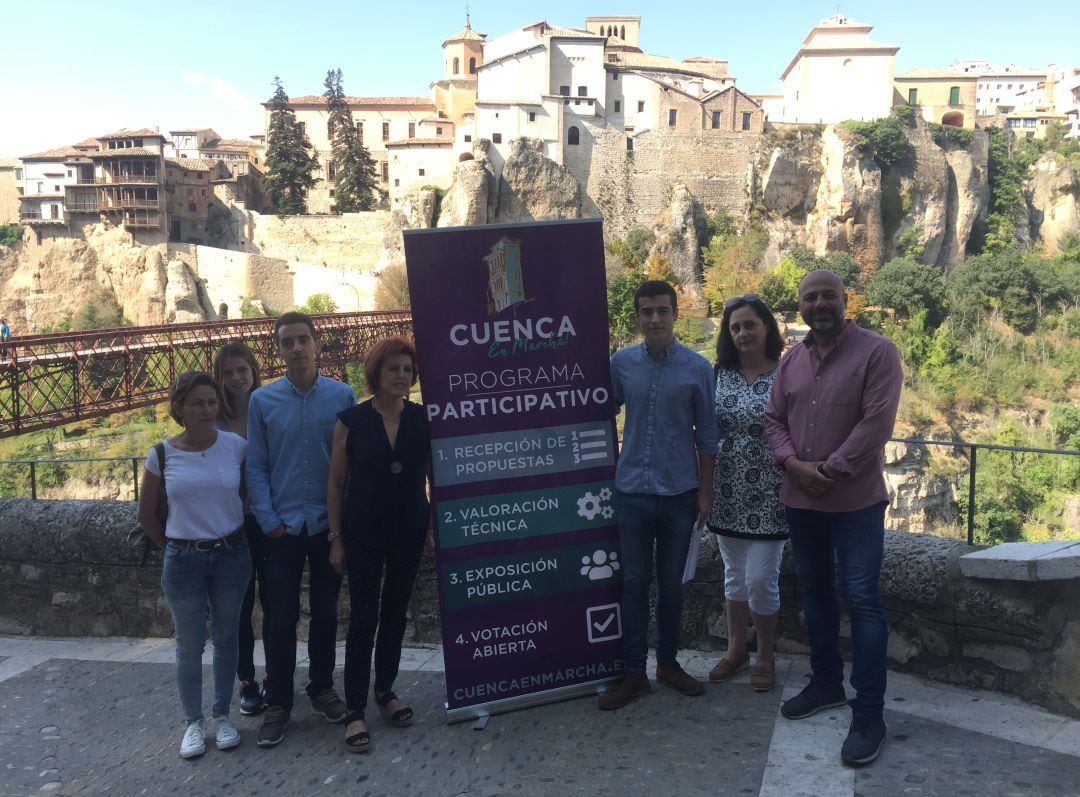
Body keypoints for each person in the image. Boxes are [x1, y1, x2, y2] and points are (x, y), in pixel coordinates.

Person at [765, 269, 902, 767]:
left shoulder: (877, 352)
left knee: (863, 601)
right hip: (801, 500)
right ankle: (825, 684)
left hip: (856, 504)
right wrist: (794, 465)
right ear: (800, 305)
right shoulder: (790, 362)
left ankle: (869, 715)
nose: (820, 303)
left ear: (846, 300)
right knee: (816, 594)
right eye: (811, 297)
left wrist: (830, 469)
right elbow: (773, 419)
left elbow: (877, 423)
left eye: (829, 295)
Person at [601, 279, 719, 710]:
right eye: (647, 312)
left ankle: (668, 664)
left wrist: (705, 493)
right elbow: (603, 409)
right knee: (632, 584)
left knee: (672, 585)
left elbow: (707, 436)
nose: (655, 319)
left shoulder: (698, 369)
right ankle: (634, 674)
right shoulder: (621, 364)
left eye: (662, 311)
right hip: (631, 489)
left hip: (679, 494)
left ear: (675, 314)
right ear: (638, 317)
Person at [247, 312, 357, 747]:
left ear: (316, 344)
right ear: (278, 349)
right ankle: (278, 704)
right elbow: (255, 465)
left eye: (302, 340)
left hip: (327, 527)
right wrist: (269, 521)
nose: (296, 348)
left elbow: (352, 466)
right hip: (282, 529)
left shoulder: (342, 395)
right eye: (287, 342)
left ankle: (322, 689)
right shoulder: (263, 401)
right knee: (279, 619)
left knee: (327, 614)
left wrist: (341, 528)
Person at [136, 372, 251, 759]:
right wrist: (176, 546)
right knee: (188, 644)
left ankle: (222, 716)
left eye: (212, 402)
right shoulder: (162, 454)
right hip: (184, 559)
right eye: (197, 403)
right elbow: (147, 515)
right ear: (180, 409)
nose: (207, 410)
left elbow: (247, 497)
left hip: (231, 555)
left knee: (227, 638)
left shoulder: (235, 446)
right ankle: (192, 722)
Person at [327, 335, 432, 753]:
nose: (401, 376)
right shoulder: (350, 421)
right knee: (364, 618)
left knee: (395, 614)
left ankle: (385, 691)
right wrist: (336, 538)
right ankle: (354, 710)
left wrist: (432, 527)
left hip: (408, 529)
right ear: (376, 372)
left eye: (407, 369)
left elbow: (435, 477)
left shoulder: (423, 418)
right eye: (393, 368)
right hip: (363, 533)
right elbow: (335, 484)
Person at [706, 294, 787, 693]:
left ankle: (766, 656)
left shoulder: (786, 373)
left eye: (749, 325)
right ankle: (736, 649)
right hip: (727, 488)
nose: (742, 333)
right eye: (735, 327)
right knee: (734, 576)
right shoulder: (718, 374)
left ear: (767, 327)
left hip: (771, 492)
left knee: (760, 579)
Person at [213, 341, 268, 716]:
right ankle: (246, 679)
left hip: (270, 520)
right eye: (229, 372)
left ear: (253, 372)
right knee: (239, 608)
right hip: (231, 526)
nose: (236, 378)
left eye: (242, 370)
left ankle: (275, 675)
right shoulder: (211, 417)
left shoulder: (269, 408)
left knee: (278, 603)